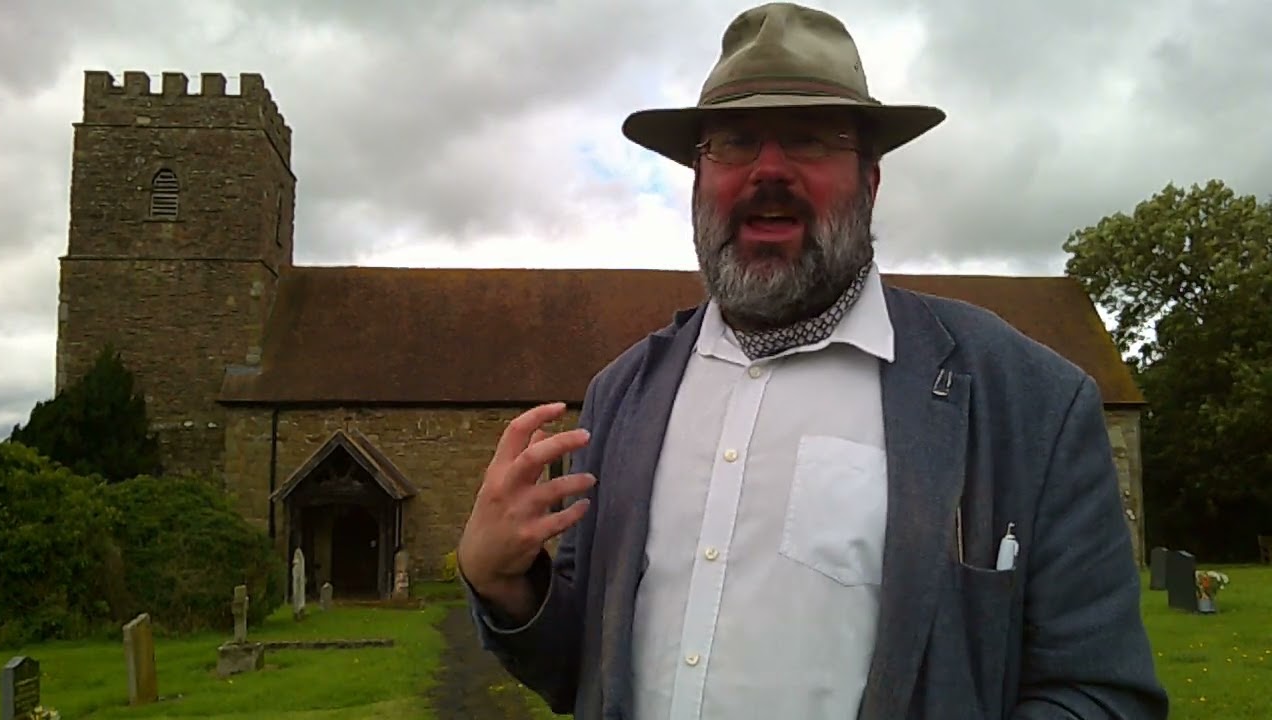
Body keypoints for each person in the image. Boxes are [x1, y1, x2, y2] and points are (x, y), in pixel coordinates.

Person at [455, 3, 1169, 718]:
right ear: (699, 182)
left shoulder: (1029, 402)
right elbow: (587, 671)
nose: (769, 170)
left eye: (809, 140)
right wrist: (505, 584)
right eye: (733, 142)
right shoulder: (623, 397)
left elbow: (1099, 692)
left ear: (871, 180)